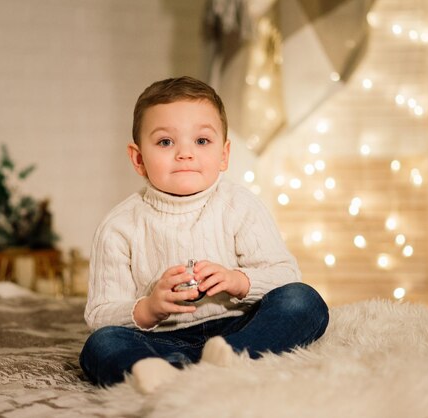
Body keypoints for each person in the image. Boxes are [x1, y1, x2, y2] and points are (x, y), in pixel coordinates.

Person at [79, 76, 329, 394]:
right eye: (166, 142)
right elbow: (100, 314)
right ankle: (160, 369)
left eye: (201, 141)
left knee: (304, 301)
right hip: (159, 339)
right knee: (100, 345)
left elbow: (286, 275)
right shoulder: (119, 227)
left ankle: (233, 355)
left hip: (239, 325)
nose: (185, 154)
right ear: (138, 159)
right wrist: (150, 307)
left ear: (224, 155)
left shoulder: (240, 206)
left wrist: (239, 281)